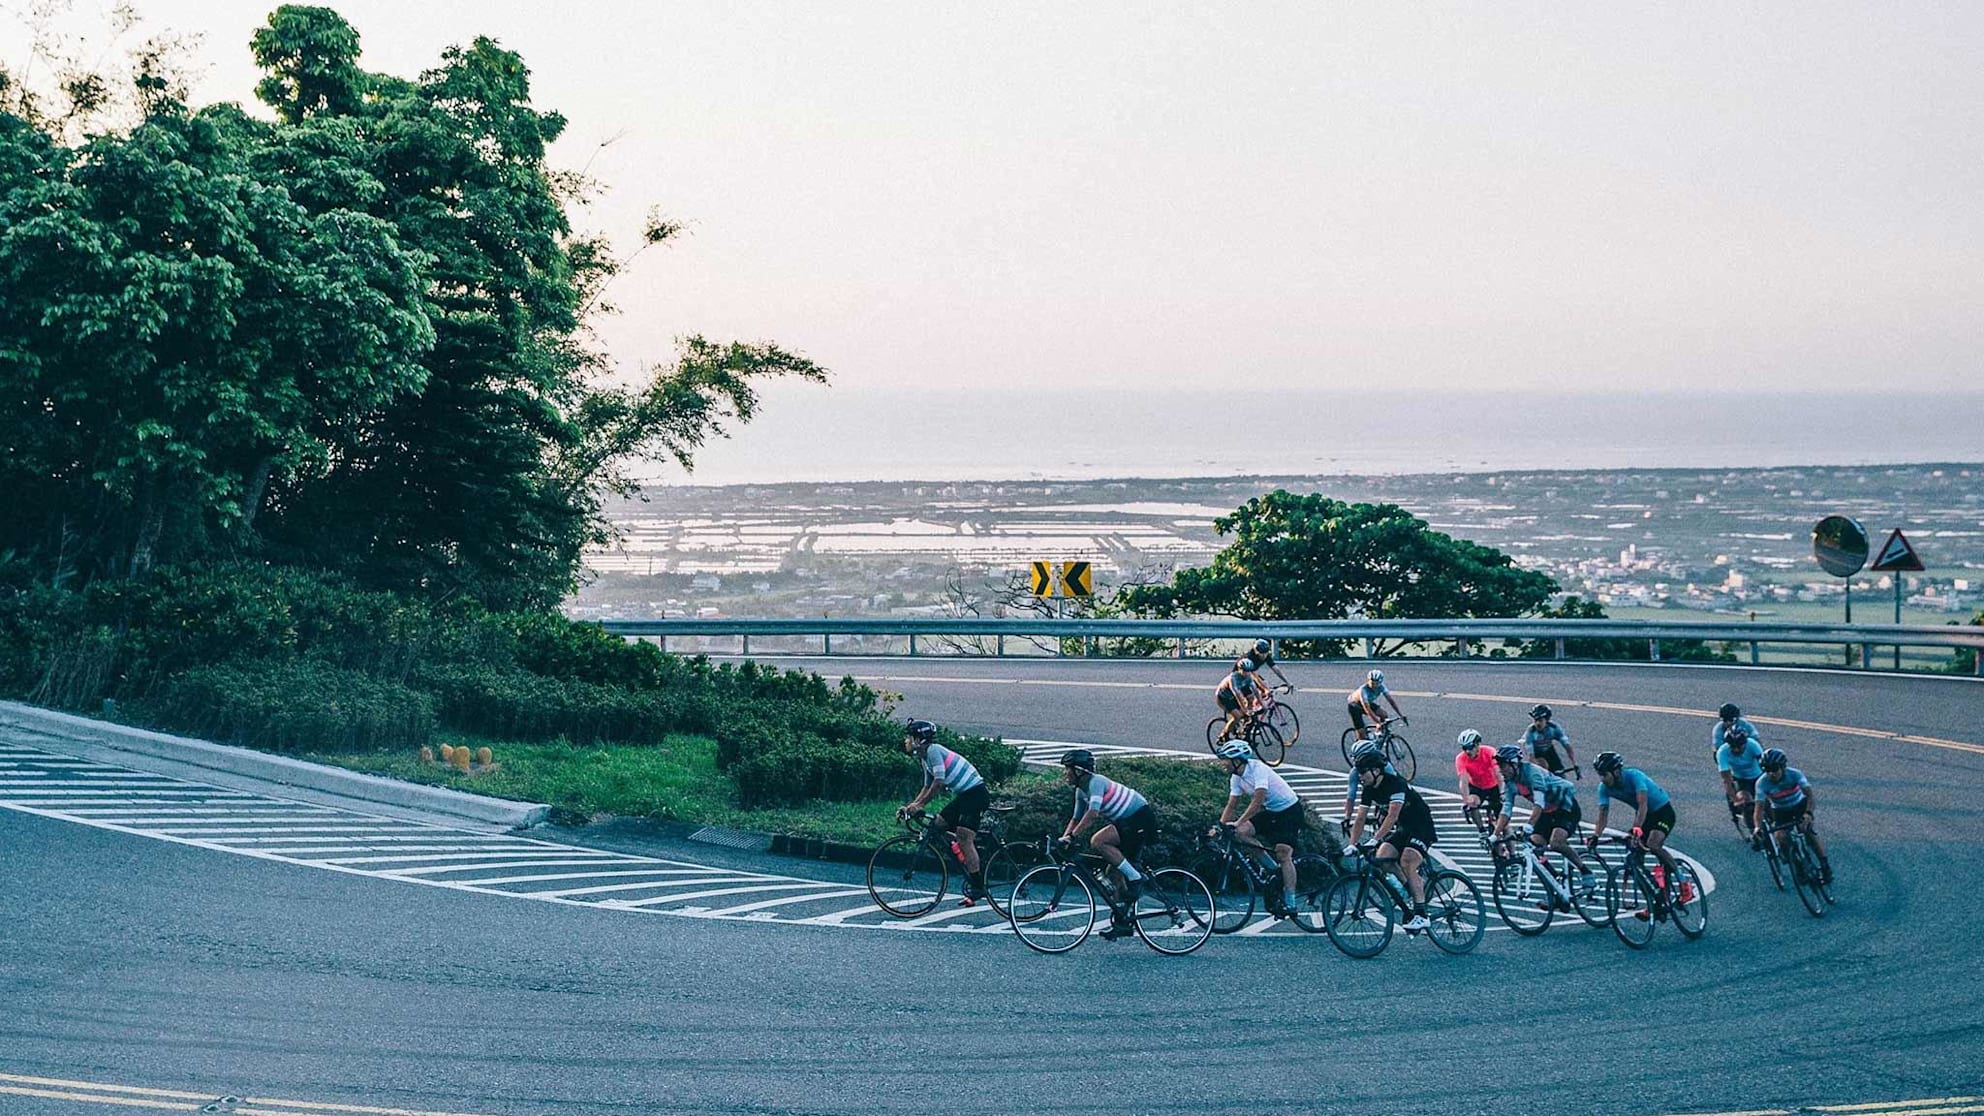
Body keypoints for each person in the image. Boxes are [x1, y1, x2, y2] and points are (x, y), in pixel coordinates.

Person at [1058, 749, 1159, 939]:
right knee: (1113, 873)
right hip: (1127, 823)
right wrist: (1064, 838)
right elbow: (1075, 818)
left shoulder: (1096, 782)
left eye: (1067, 769)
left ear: (1079, 771)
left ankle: (1136, 878)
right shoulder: (1080, 791)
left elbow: (1093, 813)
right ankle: (1123, 923)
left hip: (1139, 819)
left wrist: (1073, 837)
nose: (1065, 773)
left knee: (1098, 841)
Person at [897, 719, 990, 902]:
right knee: (938, 824)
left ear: (920, 739)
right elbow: (927, 786)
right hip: (964, 796)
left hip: (975, 794)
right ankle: (962, 851)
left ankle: (978, 886)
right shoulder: (925, 758)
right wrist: (912, 806)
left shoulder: (933, 751)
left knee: (965, 836)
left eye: (910, 736)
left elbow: (939, 782)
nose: (907, 740)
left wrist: (920, 805)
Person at [1348, 747, 1438, 932]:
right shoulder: (1369, 788)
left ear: (1376, 770)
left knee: (1407, 860)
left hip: (1421, 826)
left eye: (1363, 772)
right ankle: (1412, 887)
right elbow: (1360, 818)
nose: (1360, 776)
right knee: (1383, 859)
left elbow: (1392, 815)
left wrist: (1375, 838)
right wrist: (1351, 845)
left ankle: (1422, 915)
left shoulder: (1395, 784)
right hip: (1405, 828)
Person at [1588, 751, 1688, 917]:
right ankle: (1655, 901)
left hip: (1663, 812)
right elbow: (1602, 815)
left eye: (1604, 774)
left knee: (1654, 844)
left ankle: (1684, 883)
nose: (1602, 779)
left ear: (1616, 771)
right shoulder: (1604, 788)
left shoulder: (1635, 776)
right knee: (1634, 861)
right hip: (1646, 818)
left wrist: (1636, 828)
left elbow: (1643, 805)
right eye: (1599, 775)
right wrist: (1596, 836)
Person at [1494, 745, 1596, 899]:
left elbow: (1539, 803)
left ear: (1514, 764)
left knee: (1556, 842)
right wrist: (1494, 836)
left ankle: (1586, 872)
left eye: (1503, 766)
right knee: (1534, 847)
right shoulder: (1510, 782)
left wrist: (1529, 825)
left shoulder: (1532, 773)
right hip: (1547, 813)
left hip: (1565, 807)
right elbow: (1506, 810)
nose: (1500, 770)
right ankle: (1556, 881)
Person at [1214, 740, 1304, 914]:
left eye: (1225, 759)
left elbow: (1257, 801)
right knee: (1241, 833)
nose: (1223, 763)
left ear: (1237, 760)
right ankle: (1272, 869)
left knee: (1283, 853)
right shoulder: (1236, 777)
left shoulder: (1258, 769)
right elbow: (1231, 805)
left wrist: (1238, 822)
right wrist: (1220, 826)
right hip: (1271, 811)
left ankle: (1291, 901)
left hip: (1290, 811)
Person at [1752, 748, 1831, 884]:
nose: (1771, 773)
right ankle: (1797, 866)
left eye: (1774, 769)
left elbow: (1810, 796)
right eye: (1767, 770)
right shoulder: (1762, 783)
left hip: (1799, 805)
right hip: (1781, 810)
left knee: (1807, 830)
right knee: (1780, 837)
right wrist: (1757, 828)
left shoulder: (1795, 774)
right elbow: (1758, 809)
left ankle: (1825, 865)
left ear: (1783, 767)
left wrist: (1808, 814)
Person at [1716, 722, 1766, 829]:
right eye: (1732, 746)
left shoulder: (1753, 745)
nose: (1736, 750)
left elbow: (1765, 765)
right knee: (1746, 803)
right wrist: (1735, 799)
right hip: (1741, 780)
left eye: (1739, 746)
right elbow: (1727, 780)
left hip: (1759, 777)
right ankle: (1754, 831)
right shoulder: (1722, 752)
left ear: (1745, 742)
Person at [1453, 730, 1503, 830]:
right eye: (1464, 748)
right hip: (1477, 787)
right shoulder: (1460, 758)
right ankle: (1481, 830)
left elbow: (1499, 774)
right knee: (1472, 803)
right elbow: (1463, 781)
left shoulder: (1489, 752)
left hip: (1494, 786)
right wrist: (1466, 800)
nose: (1467, 751)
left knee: (1504, 825)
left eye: (1470, 747)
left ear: (1477, 745)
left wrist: (1502, 793)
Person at [1521, 704, 1579, 778]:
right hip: (1535, 754)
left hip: (1549, 751)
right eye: (1535, 720)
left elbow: (1567, 746)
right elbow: (1531, 757)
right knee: (1542, 770)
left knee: (1561, 777)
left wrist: (1574, 763)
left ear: (1547, 720)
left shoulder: (1554, 728)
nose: (1537, 723)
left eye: (1540, 720)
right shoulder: (1530, 732)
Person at [1215, 659, 1266, 742]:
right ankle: (1224, 734)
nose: (1247, 673)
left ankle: (1245, 731)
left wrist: (1263, 705)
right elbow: (1237, 695)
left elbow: (1255, 691)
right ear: (1239, 670)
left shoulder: (1249, 677)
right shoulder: (1233, 678)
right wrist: (1245, 710)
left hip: (1236, 693)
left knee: (1251, 697)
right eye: (1244, 671)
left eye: (1249, 671)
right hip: (1224, 697)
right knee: (1238, 716)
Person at [1347, 668, 1405, 741]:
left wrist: (1400, 715)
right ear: (1368, 681)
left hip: (1367, 703)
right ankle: (1359, 746)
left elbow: (1391, 701)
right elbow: (1367, 710)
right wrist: (1377, 722)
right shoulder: (1363, 690)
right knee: (1362, 735)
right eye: (1372, 683)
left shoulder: (1381, 687)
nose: (1374, 685)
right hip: (1354, 706)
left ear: (1380, 682)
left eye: (1376, 683)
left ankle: (1379, 735)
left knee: (1384, 715)